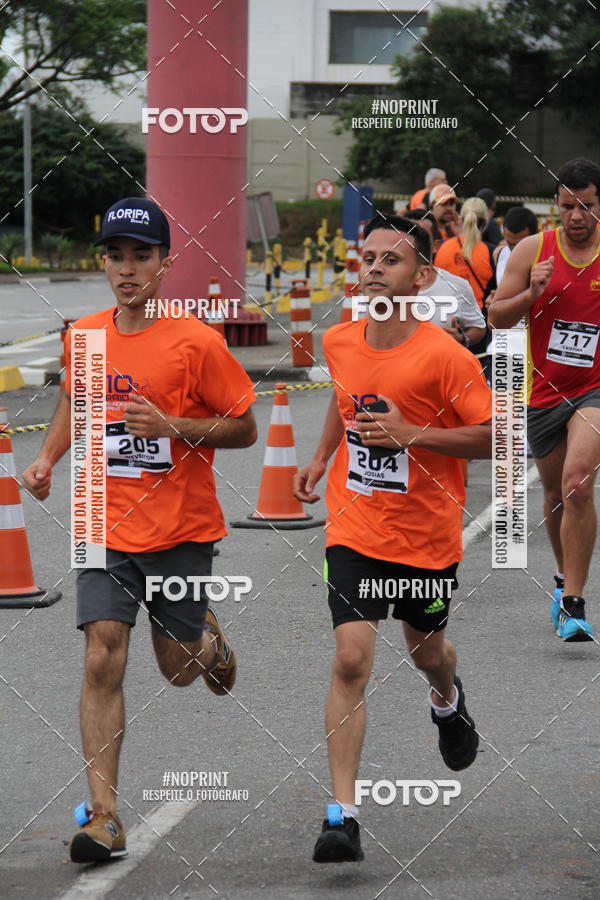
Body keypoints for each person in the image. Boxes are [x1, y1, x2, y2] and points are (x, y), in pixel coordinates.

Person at [22, 197, 258, 863]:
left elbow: (245, 427)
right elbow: (78, 400)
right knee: (102, 653)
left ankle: (204, 641)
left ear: (164, 262)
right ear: (102, 261)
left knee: (177, 670)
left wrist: (175, 426)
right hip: (101, 518)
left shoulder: (196, 343)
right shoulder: (86, 335)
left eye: (141, 256)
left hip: (180, 528)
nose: (127, 269)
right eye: (116, 255)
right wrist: (47, 458)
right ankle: (104, 816)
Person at [293, 214, 492, 863]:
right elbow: (346, 397)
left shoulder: (446, 358)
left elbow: (497, 438)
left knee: (427, 651)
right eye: (369, 258)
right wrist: (323, 456)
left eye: (392, 260)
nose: (376, 268)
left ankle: (448, 700)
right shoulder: (343, 341)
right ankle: (342, 816)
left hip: (425, 536)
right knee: (351, 658)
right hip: (354, 525)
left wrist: (416, 436)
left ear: (422, 276)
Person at [488, 157, 600, 642]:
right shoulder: (534, 250)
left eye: (588, 206)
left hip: (594, 391)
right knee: (555, 497)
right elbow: (497, 317)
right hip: (543, 393)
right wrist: (531, 293)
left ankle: (574, 603)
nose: (577, 216)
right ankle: (561, 580)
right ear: (555, 206)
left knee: (577, 485)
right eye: (568, 206)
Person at [405, 208, 486, 350]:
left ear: (435, 246)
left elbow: (478, 327)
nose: (414, 243)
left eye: (422, 238)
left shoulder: (457, 286)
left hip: (439, 370)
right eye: (409, 236)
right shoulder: (385, 285)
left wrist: (461, 339)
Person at [434, 197, 496, 310]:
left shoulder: (440, 247)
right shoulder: (491, 252)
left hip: (445, 318)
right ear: (486, 221)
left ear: (460, 219)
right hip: (478, 320)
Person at [493, 206, 539, 286]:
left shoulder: (545, 260)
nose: (515, 250)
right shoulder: (499, 255)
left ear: (536, 234)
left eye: (520, 245)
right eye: (510, 244)